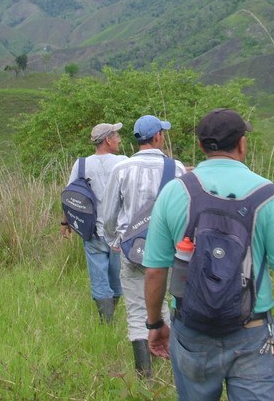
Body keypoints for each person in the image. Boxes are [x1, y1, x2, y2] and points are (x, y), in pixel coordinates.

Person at [143, 108, 274, 401]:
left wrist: (155, 324)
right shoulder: (269, 196)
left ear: (202, 147)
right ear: (242, 144)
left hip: (191, 330)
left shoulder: (174, 192)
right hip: (252, 332)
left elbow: (154, 271)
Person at [100, 115, 186, 378]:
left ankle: (144, 377)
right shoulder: (177, 168)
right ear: (158, 136)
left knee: (137, 309)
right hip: (168, 252)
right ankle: (170, 366)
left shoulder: (122, 169)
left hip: (131, 251)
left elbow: (109, 216)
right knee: (168, 305)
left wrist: (115, 241)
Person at [61, 122, 127, 323]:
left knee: (99, 277)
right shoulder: (123, 161)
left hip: (92, 232)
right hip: (119, 232)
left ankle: (106, 321)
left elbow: (71, 197)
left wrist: (66, 224)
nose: (119, 139)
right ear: (108, 140)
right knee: (117, 277)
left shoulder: (81, 164)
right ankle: (111, 316)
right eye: (116, 136)